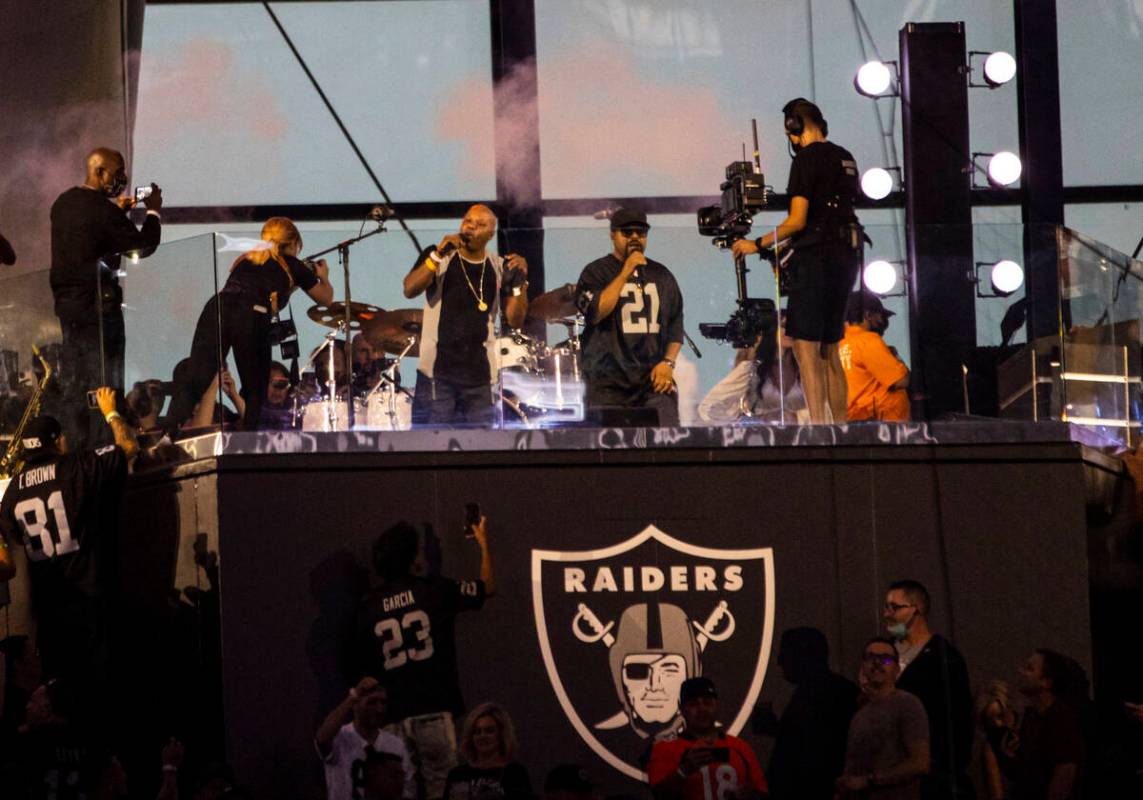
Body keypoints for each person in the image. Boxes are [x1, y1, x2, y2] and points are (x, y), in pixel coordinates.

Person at [731, 99, 862, 423]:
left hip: (815, 260)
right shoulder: (846, 157)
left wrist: (756, 244)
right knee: (830, 347)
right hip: (847, 255)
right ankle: (841, 427)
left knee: (806, 348)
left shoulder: (806, 160)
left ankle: (819, 428)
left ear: (794, 128)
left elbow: (798, 220)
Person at [0, 389, 137, 686]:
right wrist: (110, 411)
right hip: (90, 603)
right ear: (58, 440)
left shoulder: (12, 493)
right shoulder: (76, 467)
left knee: (59, 696)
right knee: (98, 690)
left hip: (48, 615)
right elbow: (127, 445)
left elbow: (12, 550)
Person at [353, 517, 496, 800]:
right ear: (410, 558)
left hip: (391, 717)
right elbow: (487, 586)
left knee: (399, 791)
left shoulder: (367, 608)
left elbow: (360, 669)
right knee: (443, 788)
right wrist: (483, 542)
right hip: (433, 709)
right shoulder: (433, 590)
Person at [168, 217, 333, 432]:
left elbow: (263, 284)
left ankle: (169, 434)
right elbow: (326, 299)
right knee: (255, 387)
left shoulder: (247, 258)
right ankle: (250, 439)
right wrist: (324, 277)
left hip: (216, 307)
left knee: (198, 375)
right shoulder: (292, 263)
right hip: (250, 313)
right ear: (292, 243)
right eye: (297, 247)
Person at [50, 147, 163, 448]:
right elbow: (143, 245)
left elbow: (89, 239)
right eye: (117, 173)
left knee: (79, 382)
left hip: (68, 308)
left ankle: (79, 448)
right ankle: (107, 448)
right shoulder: (102, 210)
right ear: (99, 172)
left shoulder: (63, 204)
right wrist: (152, 210)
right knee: (106, 380)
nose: (121, 180)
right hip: (99, 310)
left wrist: (118, 214)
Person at [403, 205, 529, 425]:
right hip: (437, 375)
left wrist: (520, 282)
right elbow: (410, 289)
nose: (471, 227)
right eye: (468, 221)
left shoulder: (497, 266)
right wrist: (437, 255)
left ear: (491, 234)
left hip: (479, 378)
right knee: (433, 446)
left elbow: (515, 319)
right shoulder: (440, 257)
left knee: (479, 448)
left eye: (480, 225)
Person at [576, 208, 685, 426]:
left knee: (668, 442)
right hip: (607, 384)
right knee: (608, 449)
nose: (635, 237)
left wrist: (668, 363)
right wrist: (626, 271)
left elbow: (675, 325)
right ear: (612, 234)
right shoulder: (595, 272)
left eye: (641, 232)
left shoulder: (662, 275)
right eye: (627, 232)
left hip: (652, 382)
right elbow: (596, 312)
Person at [883, 580, 974, 800]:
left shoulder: (943, 658)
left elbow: (958, 718)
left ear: (917, 609)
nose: (887, 614)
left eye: (894, 607)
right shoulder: (886, 651)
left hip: (927, 774)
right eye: (886, 607)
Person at [753, 627, 858, 800]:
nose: (780, 662)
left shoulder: (819, 695)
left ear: (803, 657)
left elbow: (811, 753)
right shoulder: (831, 691)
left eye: (785, 655)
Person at [836, 637, 930, 799]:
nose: (877, 663)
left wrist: (870, 780)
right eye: (871, 658)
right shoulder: (859, 716)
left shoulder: (907, 704)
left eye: (885, 659)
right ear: (863, 666)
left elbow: (920, 763)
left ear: (897, 669)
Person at [646, 676, 768, 800]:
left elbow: (762, 793)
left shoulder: (740, 747)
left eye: (707, 702)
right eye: (693, 704)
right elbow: (658, 794)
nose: (701, 709)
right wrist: (683, 771)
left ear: (716, 705)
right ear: (682, 709)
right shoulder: (665, 749)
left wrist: (750, 795)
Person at [315, 676, 415, 800]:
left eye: (383, 702)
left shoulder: (396, 745)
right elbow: (322, 739)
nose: (379, 709)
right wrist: (354, 695)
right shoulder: (340, 737)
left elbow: (408, 791)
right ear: (355, 705)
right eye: (371, 702)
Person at [698, 317, 807, 425]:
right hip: (762, 438)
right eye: (783, 326)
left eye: (793, 327)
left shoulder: (806, 371)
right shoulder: (752, 369)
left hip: (803, 439)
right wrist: (749, 423)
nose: (790, 331)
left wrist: (799, 417)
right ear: (773, 330)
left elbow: (821, 408)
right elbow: (708, 407)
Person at [1010, 650, 1085, 800]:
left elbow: (1065, 771)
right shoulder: (1031, 716)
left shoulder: (1060, 718)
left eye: (1030, 669)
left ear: (1047, 681)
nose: (1021, 672)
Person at [839, 291, 910, 421]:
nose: (883, 322)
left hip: (855, 420)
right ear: (868, 315)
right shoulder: (867, 340)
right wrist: (896, 357)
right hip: (883, 425)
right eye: (881, 316)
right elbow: (901, 380)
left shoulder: (840, 344)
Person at [443, 702, 534, 800]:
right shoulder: (457, 775)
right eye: (477, 732)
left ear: (501, 734)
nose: (482, 736)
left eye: (489, 731)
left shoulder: (514, 774)